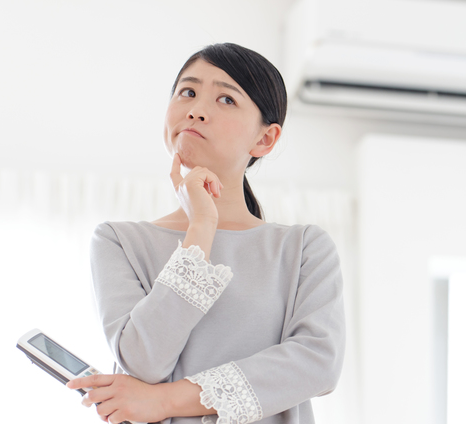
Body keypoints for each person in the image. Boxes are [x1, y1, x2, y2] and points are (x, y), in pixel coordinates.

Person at [66, 43, 346, 424]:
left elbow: (316, 362)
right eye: (188, 92)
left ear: (265, 139)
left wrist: (164, 401)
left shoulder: (303, 249)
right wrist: (201, 226)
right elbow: (144, 361)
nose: (197, 109)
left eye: (226, 99)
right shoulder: (118, 241)